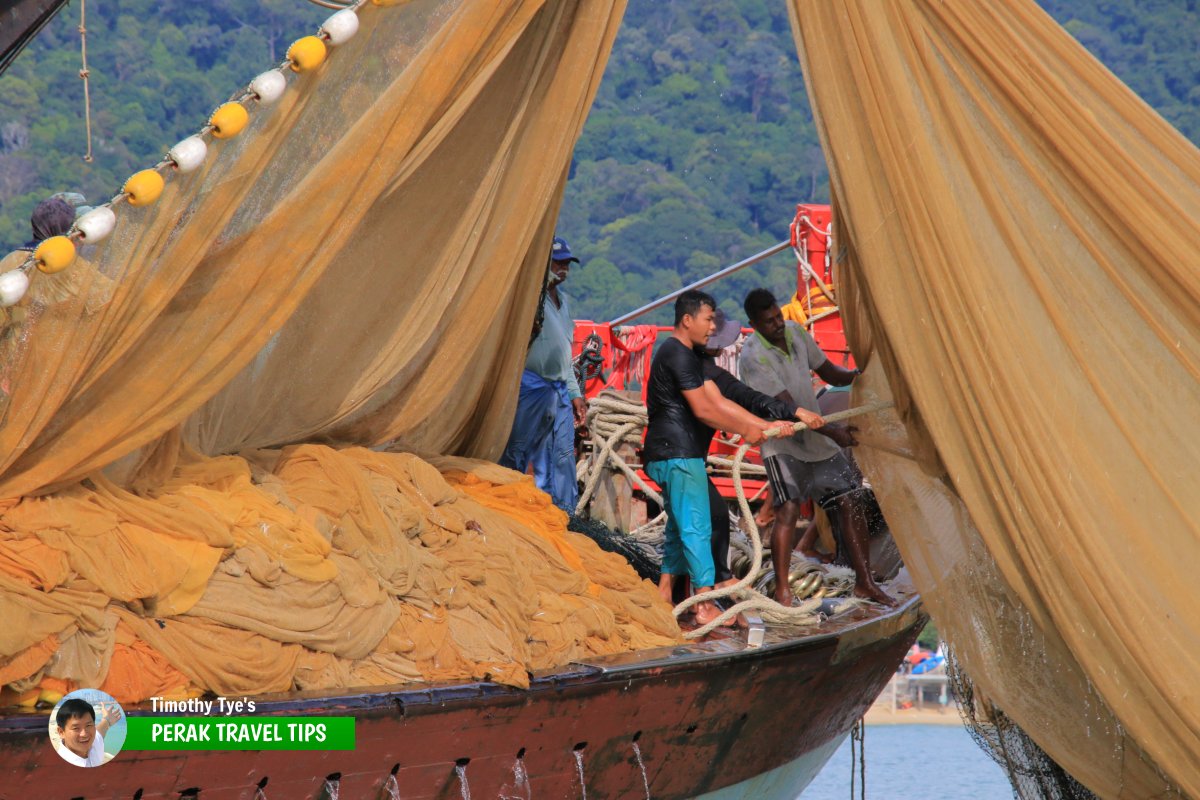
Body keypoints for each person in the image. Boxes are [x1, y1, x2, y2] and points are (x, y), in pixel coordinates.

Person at [740, 288, 895, 607]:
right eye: (769, 322)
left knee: (850, 498)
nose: (778, 325)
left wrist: (859, 376)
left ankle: (863, 582)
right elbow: (787, 408)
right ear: (754, 324)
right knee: (788, 509)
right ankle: (784, 592)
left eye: (778, 317)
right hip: (783, 441)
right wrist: (835, 432)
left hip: (816, 436)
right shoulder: (753, 356)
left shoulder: (796, 332)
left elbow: (827, 371)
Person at [642, 290, 789, 626]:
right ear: (687, 320)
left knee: (680, 529)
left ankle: (665, 592)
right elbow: (707, 408)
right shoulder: (679, 355)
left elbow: (725, 402)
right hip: (678, 453)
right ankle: (704, 602)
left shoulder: (684, 356)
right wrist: (757, 428)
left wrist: (762, 424)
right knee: (697, 526)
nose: (711, 327)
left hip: (672, 453)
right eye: (708, 320)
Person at [694, 309, 824, 587]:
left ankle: (694, 587)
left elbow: (746, 396)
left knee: (698, 523)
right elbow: (715, 407)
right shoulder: (698, 370)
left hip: (690, 458)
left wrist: (789, 413)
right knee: (711, 521)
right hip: (681, 458)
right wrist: (757, 427)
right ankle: (713, 588)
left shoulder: (711, 370)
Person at [499, 235, 588, 511]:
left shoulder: (564, 302)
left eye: (567, 264)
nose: (563, 269)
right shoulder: (531, 298)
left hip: (559, 387)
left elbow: (565, 352)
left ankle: (563, 513)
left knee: (562, 454)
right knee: (519, 446)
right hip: (532, 383)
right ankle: (508, 503)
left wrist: (575, 393)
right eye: (558, 263)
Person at [53, 697, 121, 767]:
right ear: (61, 732)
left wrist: (107, 720)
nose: (84, 734)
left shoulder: (94, 743)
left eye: (88, 725)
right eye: (76, 728)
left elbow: (100, 730)